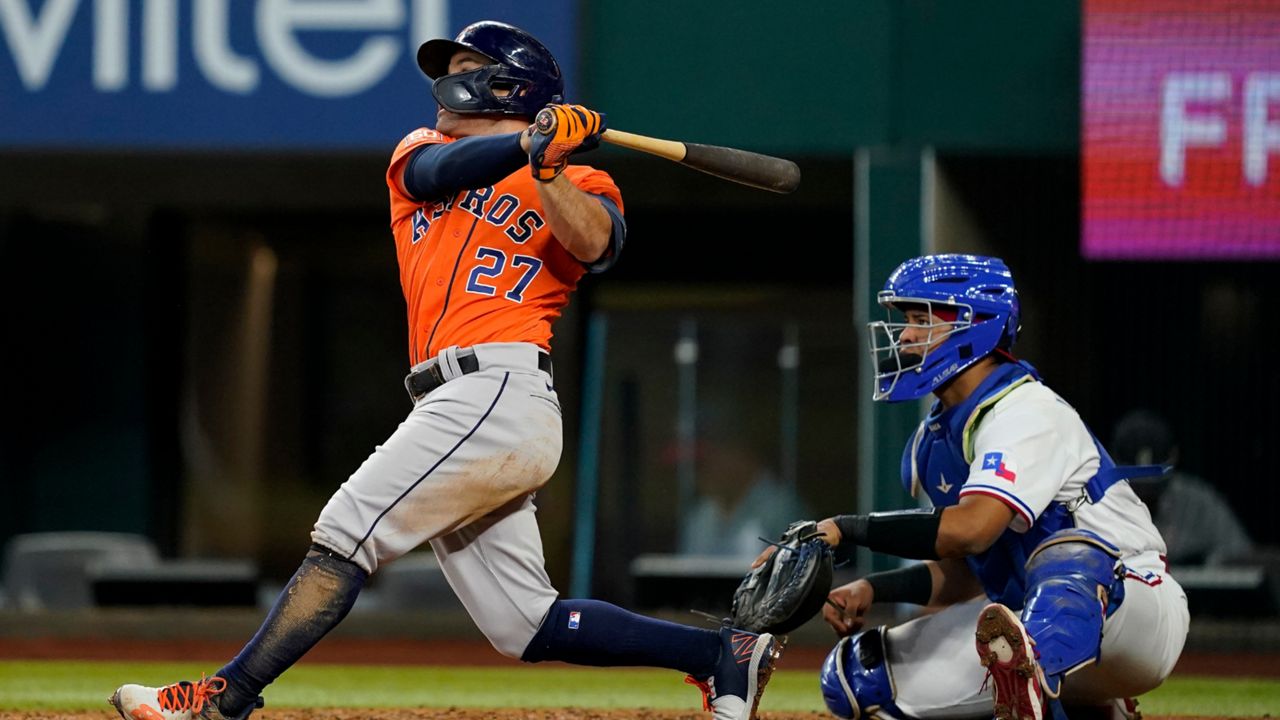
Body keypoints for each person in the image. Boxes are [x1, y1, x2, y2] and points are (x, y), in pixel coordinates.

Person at [109, 21, 779, 720]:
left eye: (467, 68)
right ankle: (719, 655)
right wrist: (527, 144)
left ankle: (225, 699)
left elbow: (598, 244)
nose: (446, 83)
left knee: (346, 530)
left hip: (499, 390)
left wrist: (548, 166)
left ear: (508, 86)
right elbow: (435, 175)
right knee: (525, 625)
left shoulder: (581, 176)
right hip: (454, 400)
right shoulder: (424, 151)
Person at [758, 255, 1188, 720]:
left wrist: (844, 528)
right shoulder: (935, 439)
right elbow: (969, 568)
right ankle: (1082, 702)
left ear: (976, 327)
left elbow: (973, 529)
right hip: (1025, 621)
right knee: (857, 677)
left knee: (1068, 554)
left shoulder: (1025, 409)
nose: (904, 336)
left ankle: (1055, 684)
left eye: (922, 319)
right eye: (906, 321)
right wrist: (872, 588)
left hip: (1131, 615)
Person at [1111, 409, 1253, 566]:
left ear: (1174, 458)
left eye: (1153, 485)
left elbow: (1242, 555)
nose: (1145, 493)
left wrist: (1206, 563)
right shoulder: (1099, 504)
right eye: (1137, 483)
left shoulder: (1197, 502)